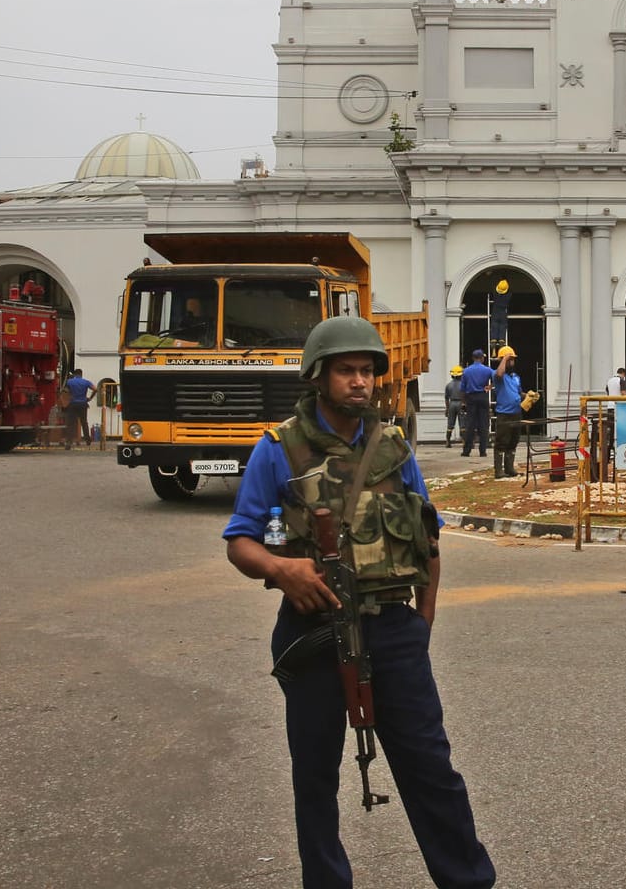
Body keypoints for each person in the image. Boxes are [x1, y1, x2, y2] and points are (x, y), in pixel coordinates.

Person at [221, 316, 496, 889]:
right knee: (315, 778)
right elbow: (240, 539)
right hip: (312, 627)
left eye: (368, 371)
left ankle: (468, 881)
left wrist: (423, 619)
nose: (360, 382)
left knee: (429, 767)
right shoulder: (278, 449)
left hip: (393, 627)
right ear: (319, 376)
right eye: (346, 370)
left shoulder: (394, 448)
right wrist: (280, 568)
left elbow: (429, 535)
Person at [491, 345, 524, 478]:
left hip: (516, 412)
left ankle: (509, 468)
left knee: (513, 441)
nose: (512, 362)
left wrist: (528, 396)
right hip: (504, 413)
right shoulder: (498, 375)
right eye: (510, 359)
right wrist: (504, 358)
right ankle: (499, 471)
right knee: (501, 442)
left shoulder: (516, 377)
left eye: (512, 360)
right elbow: (499, 373)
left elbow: (518, 392)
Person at [458, 349, 492, 458]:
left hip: (471, 398)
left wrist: (464, 402)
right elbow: (497, 378)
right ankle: (483, 451)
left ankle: (466, 450)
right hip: (483, 396)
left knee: (470, 425)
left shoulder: (466, 371)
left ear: (473, 358)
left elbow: (462, 388)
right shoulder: (487, 370)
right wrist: (490, 387)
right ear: (482, 358)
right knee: (483, 425)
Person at [63, 368, 96, 449]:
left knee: (71, 423)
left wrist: (68, 398)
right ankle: (87, 440)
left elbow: (65, 391)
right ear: (81, 374)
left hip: (73, 404)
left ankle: (69, 442)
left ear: (74, 374)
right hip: (83, 403)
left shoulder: (69, 381)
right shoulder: (86, 382)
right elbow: (95, 389)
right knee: (84, 422)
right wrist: (90, 398)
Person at [444, 365, 464, 447]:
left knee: (450, 424)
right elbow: (465, 395)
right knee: (462, 424)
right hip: (461, 403)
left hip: (452, 403)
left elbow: (446, 398)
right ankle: (464, 442)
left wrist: (447, 409)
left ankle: (448, 442)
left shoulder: (448, 385)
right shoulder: (463, 385)